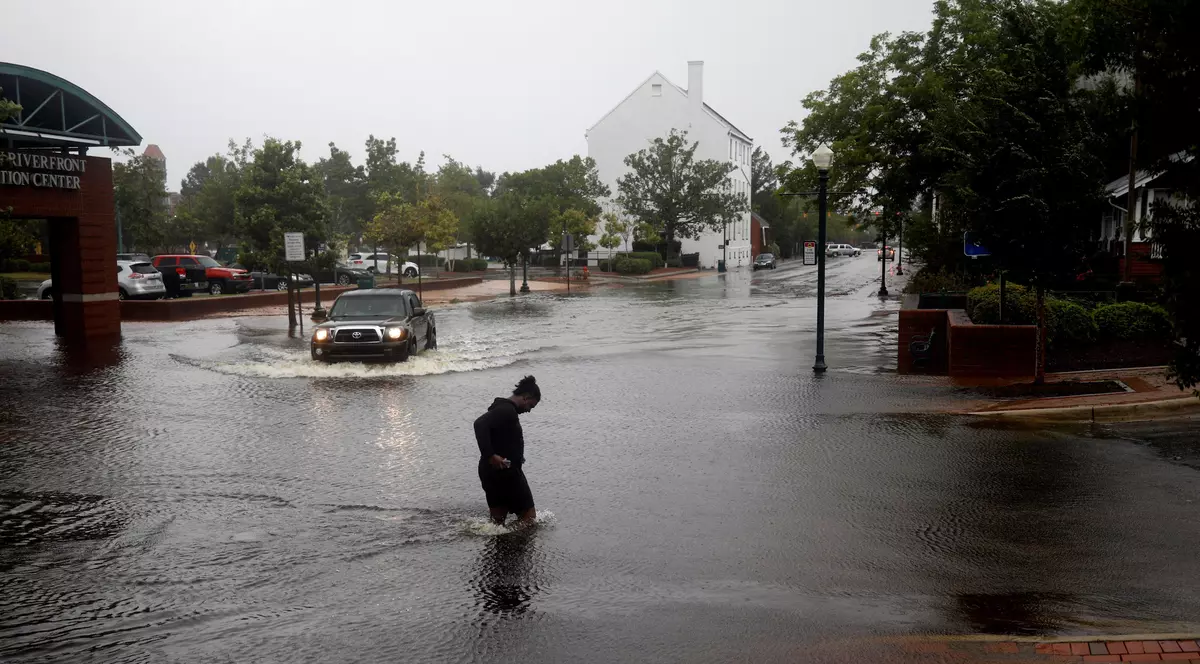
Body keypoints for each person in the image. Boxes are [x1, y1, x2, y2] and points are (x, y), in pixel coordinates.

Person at [474, 376, 541, 525]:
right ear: (526, 397)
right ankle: (513, 538)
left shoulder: (502, 408)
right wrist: (490, 455)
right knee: (529, 518)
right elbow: (479, 424)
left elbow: (498, 436)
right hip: (507, 473)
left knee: (497, 523)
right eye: (531, 406)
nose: (529, 410)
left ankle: (500, 540)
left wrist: (516, 455)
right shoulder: (507, 410)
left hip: (489, 472)